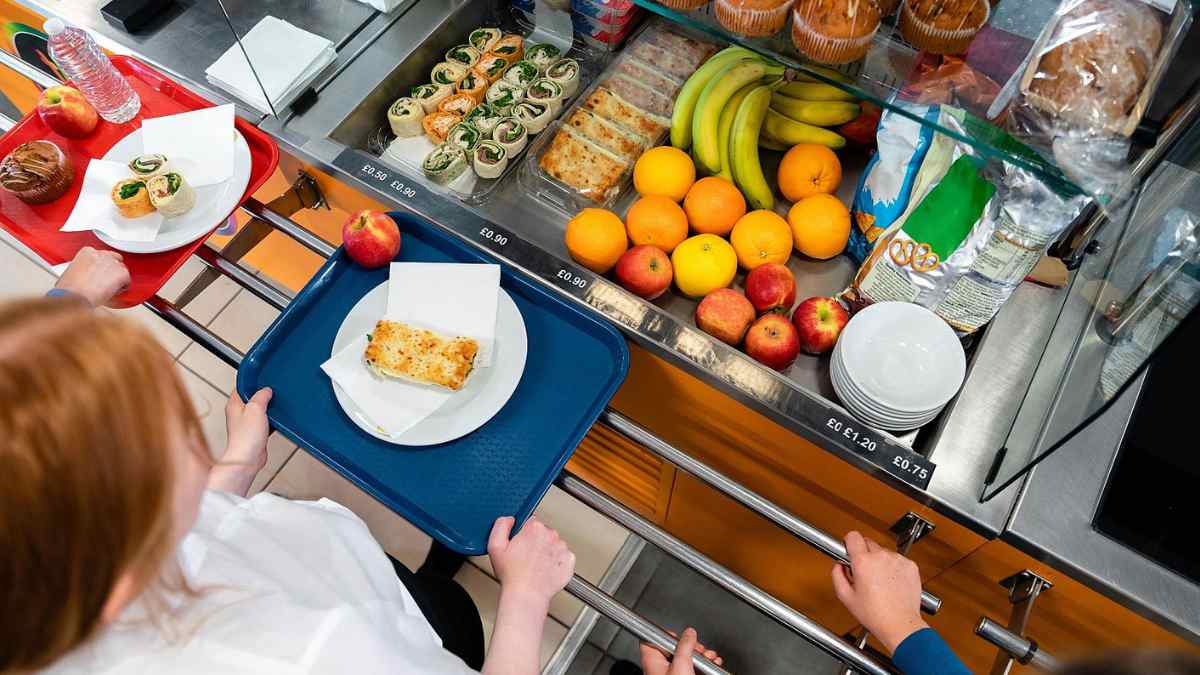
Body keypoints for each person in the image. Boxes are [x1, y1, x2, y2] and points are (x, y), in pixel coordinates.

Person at [0, 292, 576, 673]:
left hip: (347, 579)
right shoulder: (319, 654)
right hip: (401, 634)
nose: (190, 430)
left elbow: (191, 537)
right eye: (175, 431)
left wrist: (236, 468)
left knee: (436, 597)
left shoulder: (59, 588)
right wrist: (525, 595)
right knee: (453, 617)